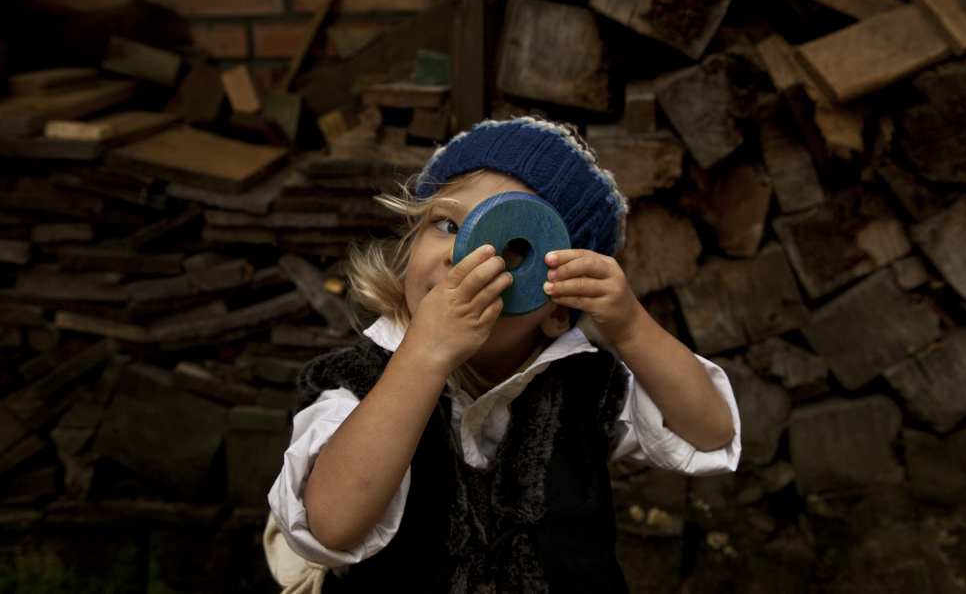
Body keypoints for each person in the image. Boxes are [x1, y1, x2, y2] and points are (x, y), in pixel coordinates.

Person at [266, 117, 741, 594]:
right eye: (448, 224)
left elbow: (709, 432)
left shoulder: (587, 386)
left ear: (558, 307)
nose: (462, 256)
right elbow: (329, 525)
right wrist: (423, 357)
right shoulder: (355, 381)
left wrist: (633, 328)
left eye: (511, 248)